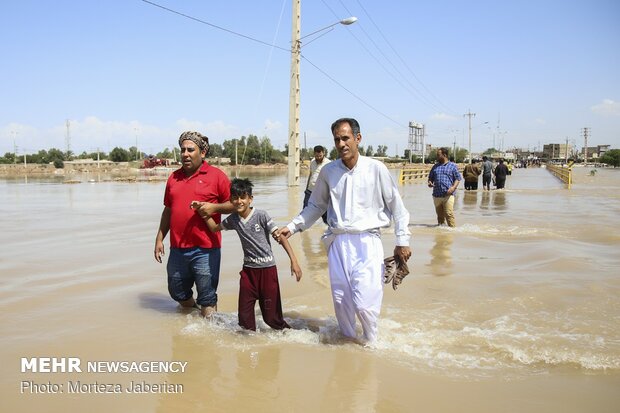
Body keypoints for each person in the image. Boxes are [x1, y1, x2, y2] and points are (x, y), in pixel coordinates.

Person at [276, 117, 412, 344]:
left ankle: (372, 344)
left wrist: (403, 240)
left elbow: (398, 208)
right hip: (338, 243)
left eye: (345, 138)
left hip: (367, 243)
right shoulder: (329, 172)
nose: (341, 144)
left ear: (358, 138)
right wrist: (292, 227)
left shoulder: (376, 169)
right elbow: (316, 206)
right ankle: (348, 346)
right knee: (341, 301)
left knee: (365, 304)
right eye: (337, 139)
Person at [196, 178, 302, 331]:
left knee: (272, 319)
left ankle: (293, 335)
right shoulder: (233, 219)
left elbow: (281, 237)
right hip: (248, 273)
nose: (239, 201)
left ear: (250, 199)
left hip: (267, 271)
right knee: (244, 321)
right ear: (231, 199)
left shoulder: (261, 215)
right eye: (235, 197)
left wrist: (294, 262)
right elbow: (214, 228)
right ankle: (250, 347)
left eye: (243, 197)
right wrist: (203, 213)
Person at [154, 131, 234, 318]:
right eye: (182, 150)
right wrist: (159, 239)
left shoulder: (217, 176)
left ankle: (208, 335)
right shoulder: (173, 178)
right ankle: (194, 317)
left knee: (207, 297)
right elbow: (168, 210)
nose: (185, 154)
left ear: (202, 153)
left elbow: (234, 204)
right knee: (177, 292)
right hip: (177, 249)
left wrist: (213, 208)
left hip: (206, 249)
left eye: (190, 149)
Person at [427, 147, 461, 227]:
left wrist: (453, 188)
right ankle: (442, 235)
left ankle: (453, 231)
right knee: (440, 216)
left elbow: (458, 178)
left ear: (444, 155)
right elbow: (430, 178)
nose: (437, 157)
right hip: (437, 195)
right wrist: (430, 182)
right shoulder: (435, 166)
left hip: (448, 195)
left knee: (449, 213)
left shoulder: (452, 166)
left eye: (438, 155)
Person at [304, 145, 330, 224]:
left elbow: (330, 179)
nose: (318, 157)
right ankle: (304, 229)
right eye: (316, 156)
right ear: (314, 154)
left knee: (325, 212)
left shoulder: (328, 163)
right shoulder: (312, 161)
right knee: (305, 209)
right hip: (310, 190)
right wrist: (306, 188)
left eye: (320, 156)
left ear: (324, 153)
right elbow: (311, 175)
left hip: (321, 192)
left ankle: (328, 227)